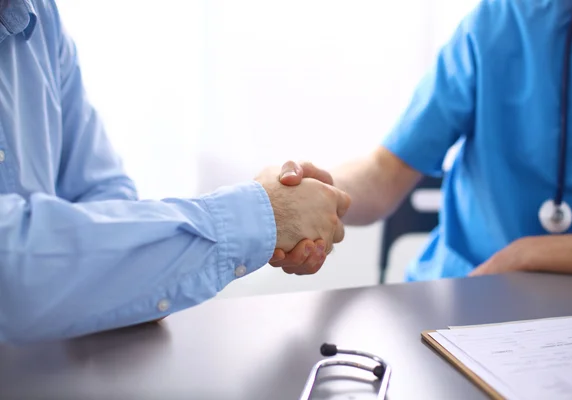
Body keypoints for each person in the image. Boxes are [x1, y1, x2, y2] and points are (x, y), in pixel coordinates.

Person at [0, 0, 350, 343]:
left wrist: (139, 278)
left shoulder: (37, 13)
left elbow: (101, 191)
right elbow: (11, 275)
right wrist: (270, 213)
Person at [272, 0, 572, 280]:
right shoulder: (504, 22)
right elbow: (386, 170)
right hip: (466, 289)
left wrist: (527, 256)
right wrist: (319, 193)